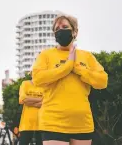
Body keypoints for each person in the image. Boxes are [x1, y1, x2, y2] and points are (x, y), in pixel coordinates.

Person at [32, 14, 108, 145]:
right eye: (57, 29)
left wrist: (78, 69)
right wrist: (67, 66)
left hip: (82, 122)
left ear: (75, 31)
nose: (60, 30)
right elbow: (38, 78)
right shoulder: (46, 55)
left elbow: (102, 81)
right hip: (53, 121)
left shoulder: (87, 56)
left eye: (65, 27)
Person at [19, 77, 43, 145]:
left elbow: (46, 102)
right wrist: (40, 99)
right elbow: (22, 99)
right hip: (26, 125)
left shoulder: (45, 86)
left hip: (41, 125)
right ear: (32, 73)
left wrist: (29, 101)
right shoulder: (25, 84)